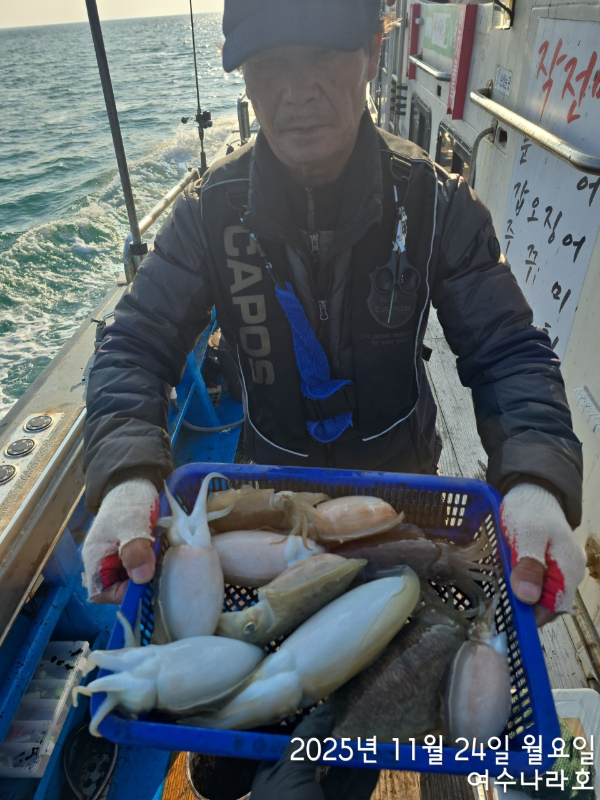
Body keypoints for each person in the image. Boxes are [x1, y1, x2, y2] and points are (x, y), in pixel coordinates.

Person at [82, 0, 585, 630]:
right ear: (244, 80)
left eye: (322, 56)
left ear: (371, 56)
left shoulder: (438, 203)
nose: (296, 92)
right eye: (269, 65)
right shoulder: (208, 213)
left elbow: (508, 349)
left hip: (404, 487)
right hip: (268, 491)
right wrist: (128, 481)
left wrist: (535, 486)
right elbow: (132, 346)